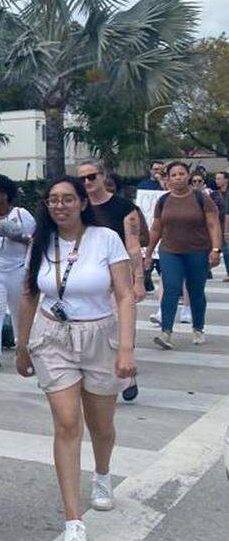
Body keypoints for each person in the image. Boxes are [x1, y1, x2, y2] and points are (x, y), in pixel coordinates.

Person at [15, 177, 136, 541]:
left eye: (68, 199)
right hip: (53, 338)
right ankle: (73, 519)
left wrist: (127, 350)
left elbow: (125, 293)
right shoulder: (40, 242)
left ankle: (102, 473)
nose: (60, 206)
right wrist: (21, 346)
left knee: (101, 426)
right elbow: (30, 294)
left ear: (83, 203)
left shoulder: (106, 239)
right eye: (53, 200)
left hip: (100, 336)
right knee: (67, 423)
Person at [75, 161, 145, 401]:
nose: (87, 182)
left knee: (122, 326)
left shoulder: (124, 208)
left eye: (92, 177)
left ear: (103, 176)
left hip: (119, 277)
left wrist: (138, 280)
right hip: (89, 278)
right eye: (82, 179)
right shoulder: (80, 209)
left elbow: (133, 247)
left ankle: (128, 374)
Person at [146, 161, 222, 349]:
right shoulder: (163, 201)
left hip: (198, 251)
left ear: (188, 176)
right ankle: (166, 332)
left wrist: (215, 249)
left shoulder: (201, 198)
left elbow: (213, 224)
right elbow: (156, 228)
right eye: (174, 175)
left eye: (182, 174)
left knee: (195, 291)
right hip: (170, 252)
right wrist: (147, 253)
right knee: (171, 288)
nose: (178, 177)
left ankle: (198, 328)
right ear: (168, 179)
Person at [0, 175, 35, 371]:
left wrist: (17, 236)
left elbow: (35, 241)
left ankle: (24, 348)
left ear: (4, 195)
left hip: (17, 270)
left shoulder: (21, 214)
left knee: (20, 311)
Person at [215, 171, 229, 281]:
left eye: (219, 178)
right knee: (223, 250)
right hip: (219, 225)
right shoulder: (214, 194)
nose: (217, 181)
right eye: (216, 178)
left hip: (226, 225)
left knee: (226, 250)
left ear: (226, 180)